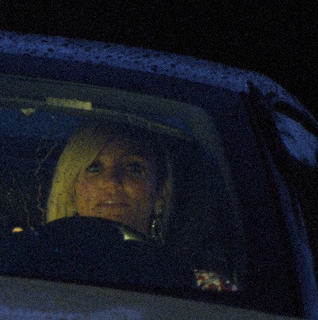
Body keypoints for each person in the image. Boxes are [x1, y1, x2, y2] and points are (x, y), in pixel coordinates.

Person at [40, 118, 237, 292]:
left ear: (161, 190)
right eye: (94, 167)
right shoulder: (35, 273)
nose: (111, 182)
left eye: (133, 167)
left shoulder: (204, 290)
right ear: (71, 188)